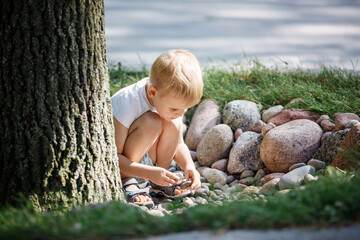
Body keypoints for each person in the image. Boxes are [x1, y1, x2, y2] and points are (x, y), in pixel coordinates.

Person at [111, 49, 203, 206]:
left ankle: (160, 182)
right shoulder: (127, 103)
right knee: (152, 121)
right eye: (175, 109)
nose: (180, 113)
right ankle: (128, 181)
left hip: (147, 163)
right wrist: (149, 173)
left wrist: (189, 166)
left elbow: (179, 143)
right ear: (152, 92)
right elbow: (113, 158)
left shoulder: (168, 99)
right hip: (124, 167)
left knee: (174, 123)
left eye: (185, 109)